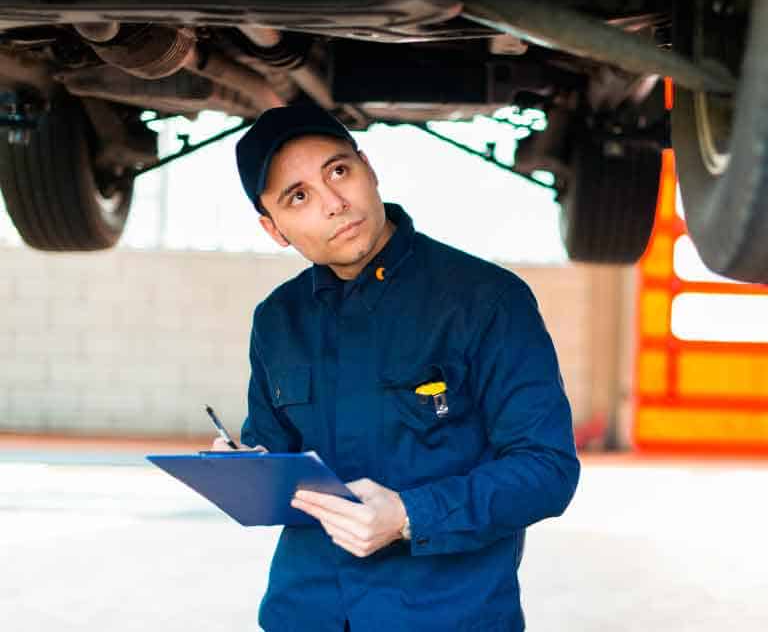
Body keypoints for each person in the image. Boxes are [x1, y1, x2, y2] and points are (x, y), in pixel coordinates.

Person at [219, 103, 581, 632]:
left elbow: (548, 470)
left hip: (445, 616)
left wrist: (411, 516)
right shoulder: (277, 319)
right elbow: (274, 451)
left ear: (369, 167)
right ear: (274, 229)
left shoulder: (486, 300)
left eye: (339, 171)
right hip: (306, 612)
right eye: (299, 197)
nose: (335, 204)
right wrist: (246, 467)